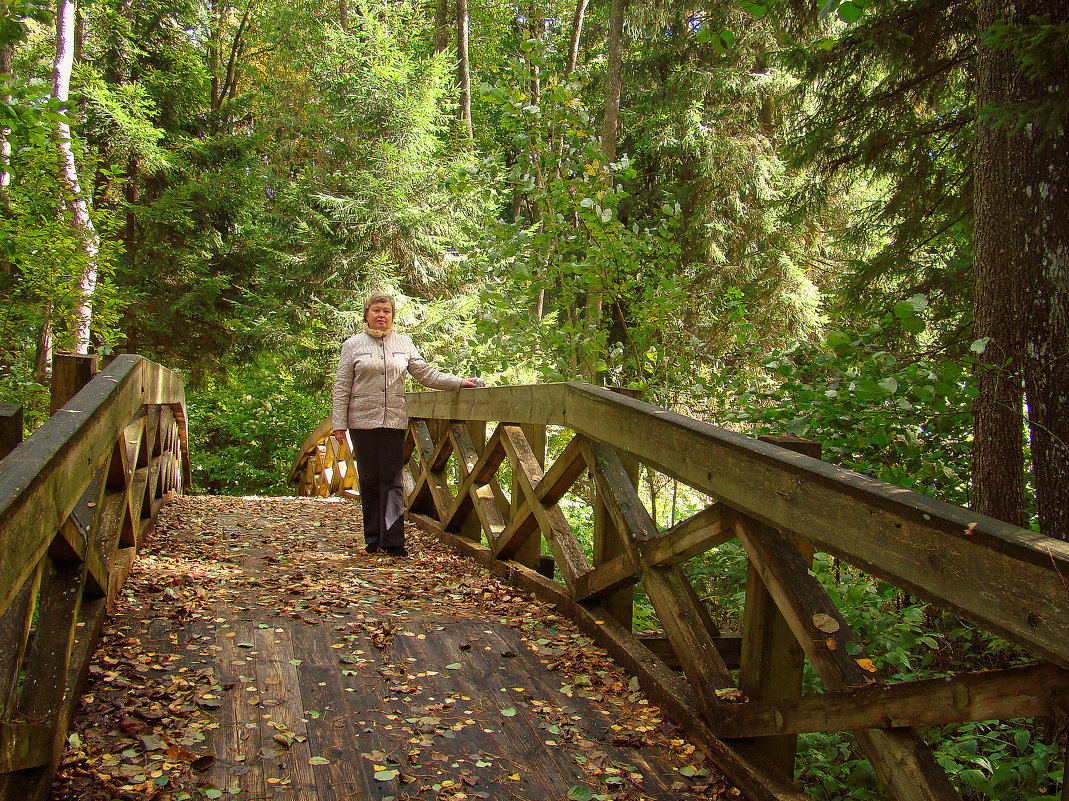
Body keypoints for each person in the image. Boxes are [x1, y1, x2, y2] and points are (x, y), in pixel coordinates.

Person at [331, 292, 483, 557]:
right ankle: (373, 539)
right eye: (376, 310)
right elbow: (342, 386)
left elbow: (426, 374)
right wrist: (338, 424)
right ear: (367, 313)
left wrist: (459, 382)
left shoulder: (404, 343)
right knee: (370, 480)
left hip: (393, 421)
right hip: (361, 421)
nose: (381, 315)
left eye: (386, 311)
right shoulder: (352, 346)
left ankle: (393, 541)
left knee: (392, 480)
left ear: (392, 316)